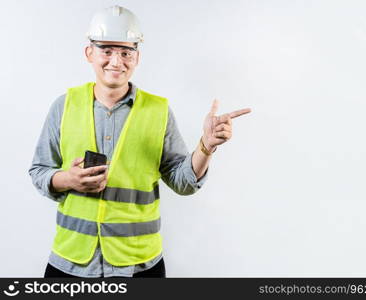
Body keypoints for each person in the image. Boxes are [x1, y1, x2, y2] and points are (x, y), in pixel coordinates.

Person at [29, 5, 251, 278]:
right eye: (106, 50)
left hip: (139, 265)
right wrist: (68, 180)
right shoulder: (64, 106)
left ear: (137, 57)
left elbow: (182, 182)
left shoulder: (158, 111)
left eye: (125, 52)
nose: (116, 61)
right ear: (89, 53)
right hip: (70, 263)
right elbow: (39, 171)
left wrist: (206, 146)